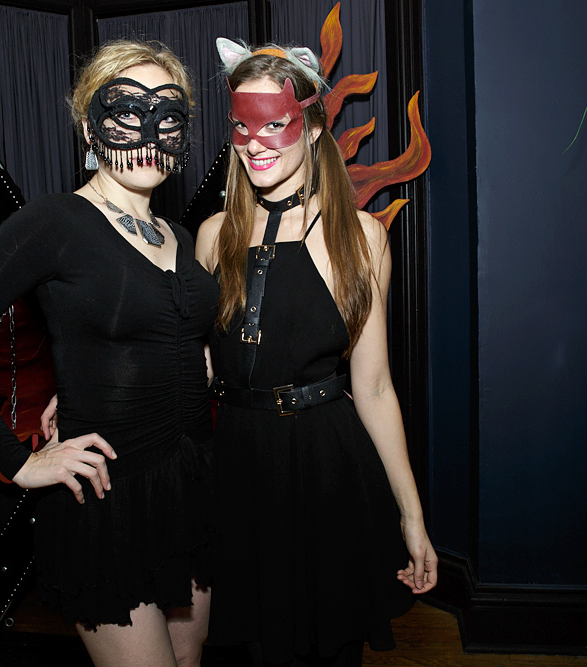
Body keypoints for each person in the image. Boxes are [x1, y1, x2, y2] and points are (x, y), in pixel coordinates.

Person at [0, 40, 218, 667]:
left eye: (167, 115)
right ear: (88, 125)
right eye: (126, 112)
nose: (148, 133)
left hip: (186, 484)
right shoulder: (53, 222)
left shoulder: (180, 237)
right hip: (106, 498)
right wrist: (18, 463)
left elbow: (162, 339)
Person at [194, 39, 439, 666]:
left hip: (326, 469)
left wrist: (411, 516)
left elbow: (375, 387)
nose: (255, 143)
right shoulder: (213, 236)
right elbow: (194, 368)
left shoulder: (362, 238)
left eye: (274, 124)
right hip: (237, 468)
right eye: (242, 126)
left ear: (311, 125)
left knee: (328, 650)